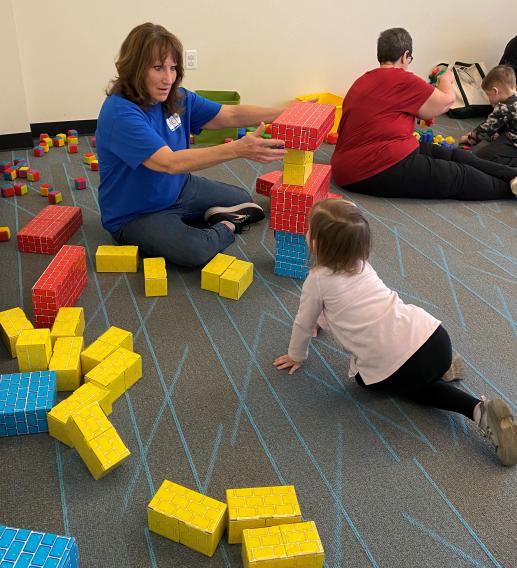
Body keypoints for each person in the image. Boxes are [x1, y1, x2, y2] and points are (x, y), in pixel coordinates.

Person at [273, 198, 517, 466]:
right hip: (434, 337)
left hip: (399, 364)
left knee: (370, 383)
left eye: (310, 228)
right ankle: (443, 367)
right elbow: (349, 302)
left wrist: (297, 355)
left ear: (316, 243)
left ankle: (476, 410)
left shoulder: (317, 281)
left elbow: (303, 323)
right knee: (407, 349)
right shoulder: (362, 264)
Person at [96, 22, 286, 268]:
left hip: (180, 188)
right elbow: (168, 163)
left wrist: (288, 112)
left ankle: (206, 218)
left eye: (173, 68)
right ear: (135, 68)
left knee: (242, 198)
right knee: (195, 251)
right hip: (136, 214)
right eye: (158, 68)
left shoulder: (176, 97)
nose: (168, 78)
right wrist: (238, 149)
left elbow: (231, 115)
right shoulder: (121, 113)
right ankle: (225, 226)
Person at [330, 27, 517, 201]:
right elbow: (446, 102)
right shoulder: (403, 79)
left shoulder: (363, 80)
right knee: (458, 176)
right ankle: (510, 189)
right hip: (370, 168)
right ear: (405, 56)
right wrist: (446, 79)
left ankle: (512, 175)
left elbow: (417, 111)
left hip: (364, 157)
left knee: (456, 156)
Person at [459, 65, 517, 167]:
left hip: (514, 142)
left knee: (480, 158)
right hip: (513, 132)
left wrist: (469, 139)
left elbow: (485, 129)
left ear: (495, 91)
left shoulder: (504, 107)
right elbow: (502, 125)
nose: (488, 99)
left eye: (488, 94)